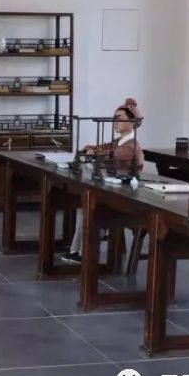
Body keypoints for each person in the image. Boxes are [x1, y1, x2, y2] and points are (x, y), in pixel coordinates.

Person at [62, 98, 145, 264]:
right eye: (114, 118)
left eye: (119, 119)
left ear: (132, 122)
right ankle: (77, 251)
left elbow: (111, 154)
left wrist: (95, 153)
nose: (115, 122)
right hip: (112, 189)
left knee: (90, 208)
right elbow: (104, 148)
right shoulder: (118, 142)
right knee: (84, 207)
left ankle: (84, 253)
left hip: (125, 195)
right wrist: (90, 148)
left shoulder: (132, 146)